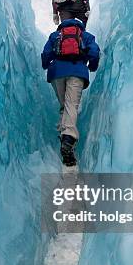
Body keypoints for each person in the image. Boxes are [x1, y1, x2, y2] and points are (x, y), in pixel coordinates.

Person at [41, 17, 100, 166]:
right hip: (77, 72)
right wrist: (92, 66)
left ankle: (63, 135)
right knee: (71, 105)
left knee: (64, 106)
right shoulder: (85, 35)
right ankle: (68, 138)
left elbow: (46, 53)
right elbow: (94, 51)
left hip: (57, 74)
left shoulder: (56, 35)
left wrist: (46, 64)